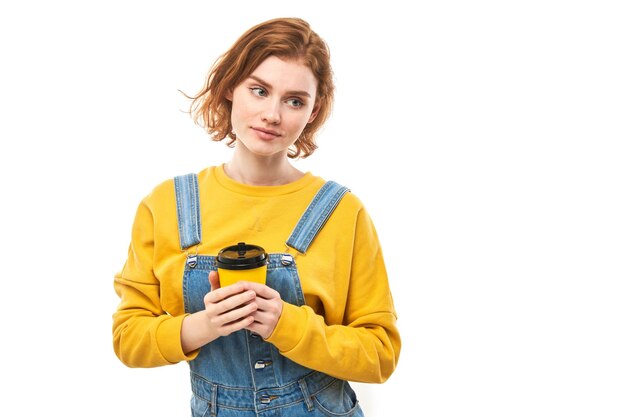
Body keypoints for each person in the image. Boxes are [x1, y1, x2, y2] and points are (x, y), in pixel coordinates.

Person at [113, 17, 400, 417]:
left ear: (313, 111)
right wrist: (204, 325)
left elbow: (380, 355)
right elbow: (128, 338)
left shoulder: (341, 211)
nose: (273, 114)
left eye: (294, 100)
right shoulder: (166, 206)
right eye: (260, 90)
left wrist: (287, 323)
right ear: (231, 86)